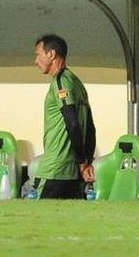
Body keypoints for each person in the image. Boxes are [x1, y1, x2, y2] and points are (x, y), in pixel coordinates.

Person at [32, 33, 97, 199]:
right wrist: (86, 162)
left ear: (51, 54)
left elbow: (73, 123)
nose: (35, 61)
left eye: (38, 54)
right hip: (74, 172)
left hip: (55, 169)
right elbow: (90, 128)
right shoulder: (77, 82)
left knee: (37, 220)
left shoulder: (61, 82)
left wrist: (83, 162)